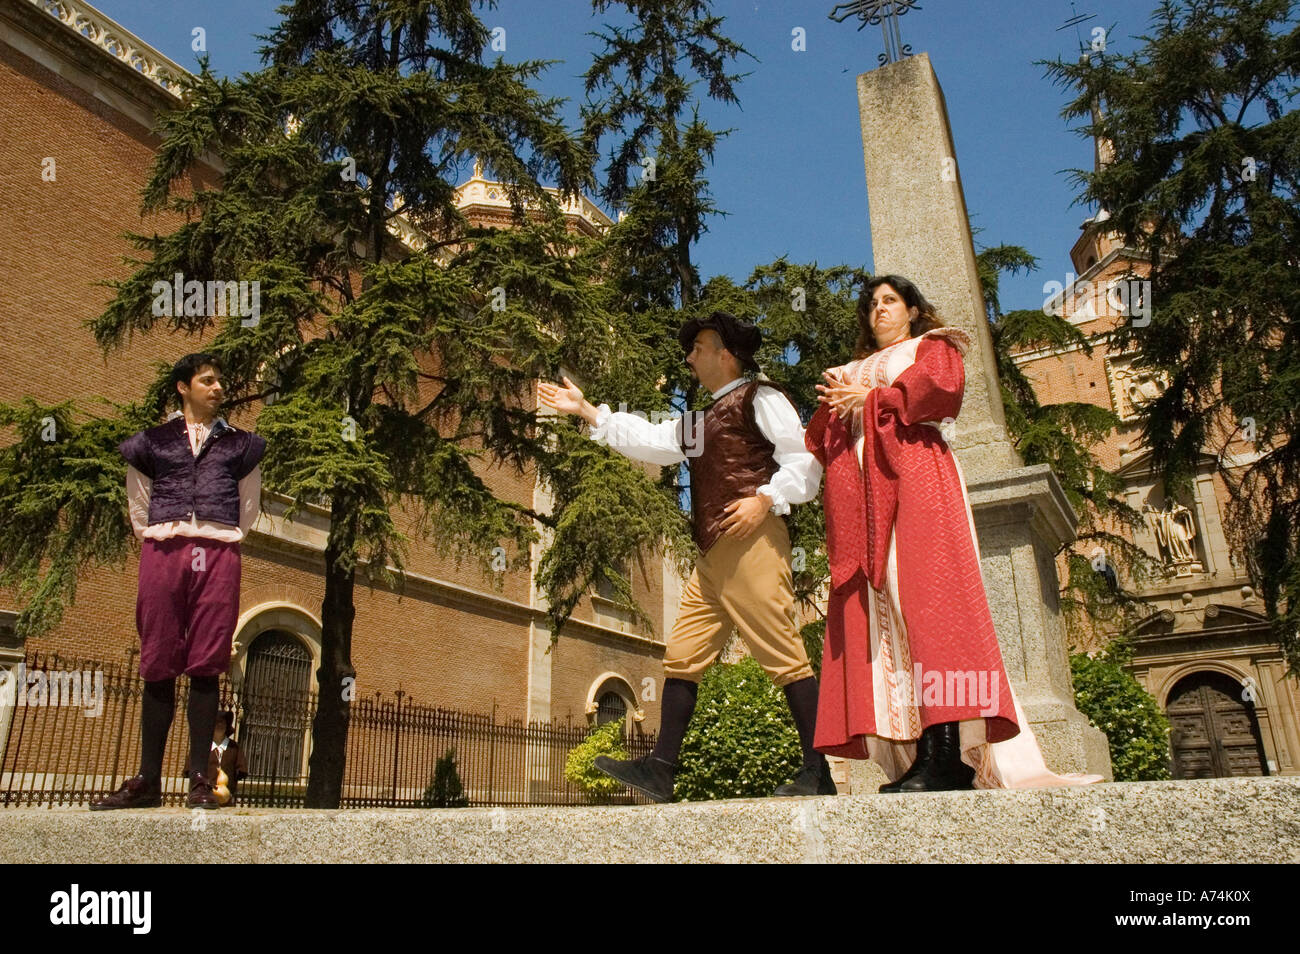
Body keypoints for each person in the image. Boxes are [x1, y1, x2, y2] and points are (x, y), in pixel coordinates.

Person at [808, 276, 1102, 792]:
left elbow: (938, 391)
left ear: (914, 310)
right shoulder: (848, 371)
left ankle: (948, 752)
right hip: (861, 503)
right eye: (871, 304)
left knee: (931, 609)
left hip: (918, 482)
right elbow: (819, 435)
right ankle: (920, 752)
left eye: (890, 301)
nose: (878, 310)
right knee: (885, 618)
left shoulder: (933, 346)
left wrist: (871, 397)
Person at [539, 312, 832, 801]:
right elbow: (653, 442)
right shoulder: (700, 420)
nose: (689, 356)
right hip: (713, 554)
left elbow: (804, 459)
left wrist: (764, 499)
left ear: (726, 353)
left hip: (753, 542)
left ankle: (817, 771)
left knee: (783, 653)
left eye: (699, 347)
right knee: (682, 656)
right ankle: (661, 768)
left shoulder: (762, 398)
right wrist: (590, 412)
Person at [91, 353, 265, 810]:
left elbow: (248, 509)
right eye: (207, 380)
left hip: (220, 551)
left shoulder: (241, 445)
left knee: (207, 662)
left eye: (220, 381)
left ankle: (198, 781)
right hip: (163, 549)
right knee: (159, 657)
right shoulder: (152, 443)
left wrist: (213, 536)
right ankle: (148, 779)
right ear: (183, 388)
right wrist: (168, 537)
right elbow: (139, 504)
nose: (218, 388)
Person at [186, 710, 249, 806]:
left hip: (226, 798)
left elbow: (241, 769)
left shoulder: (234, 747)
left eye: (222, 722)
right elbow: (190, 768)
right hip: (203, 797)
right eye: (217, 722)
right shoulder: (202, 746)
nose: (220, 725)